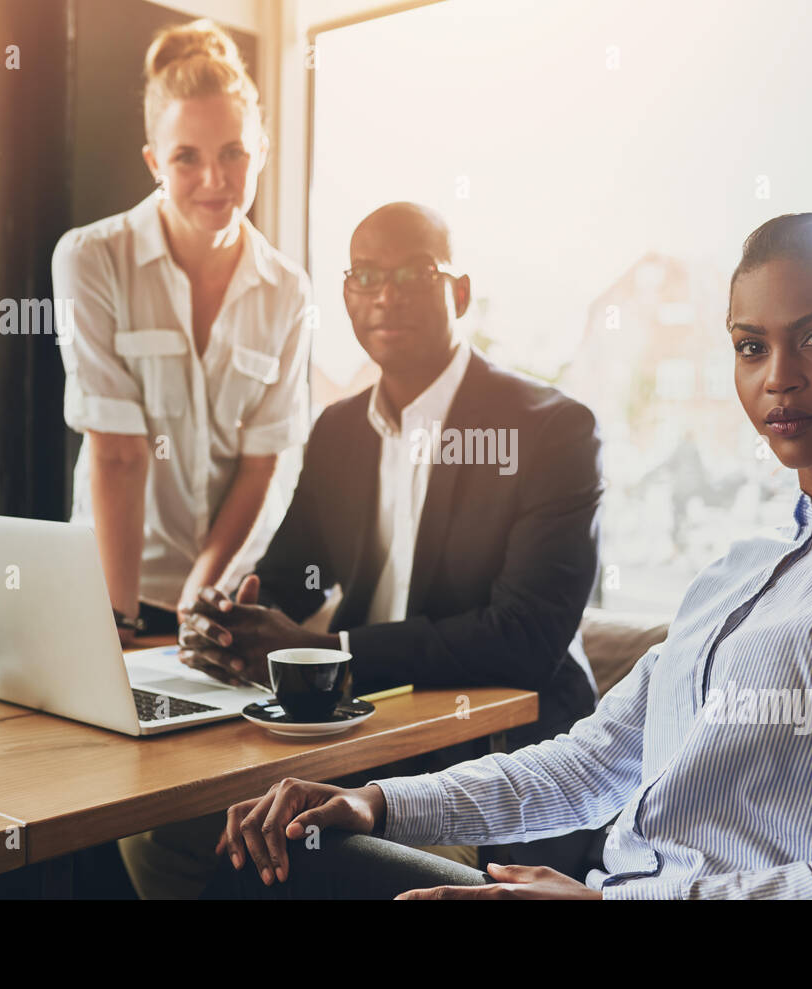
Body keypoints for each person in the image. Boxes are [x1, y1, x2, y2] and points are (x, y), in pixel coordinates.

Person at [210, 212, 812, 899]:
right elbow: (592, 763)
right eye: (750, 345)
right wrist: (375, 802)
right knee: (254, 843)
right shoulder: (740, 569)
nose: (778, 378)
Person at [119, 201, 605, 898]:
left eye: (414, 272)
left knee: (274, 851)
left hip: (493, 757)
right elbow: (289, 579)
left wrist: (335, 654)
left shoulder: (551, 430)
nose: (386, 293)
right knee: (154, 826)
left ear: (459, 292)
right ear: (345, 295)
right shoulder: (341, 430)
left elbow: (523, 638)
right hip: (358, 736)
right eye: (366, 275)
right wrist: (231, 622)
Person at [51, 19, 311, 640]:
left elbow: (260, 465)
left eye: (233, 153)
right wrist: (121, 622)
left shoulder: (287, 290)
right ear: (154, 163)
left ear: (262, 151)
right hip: (113, 584)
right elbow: (117, 453)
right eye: (186, 158)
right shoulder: (91, 259)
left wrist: (201, 597)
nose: (215, 181)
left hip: (227, 590)